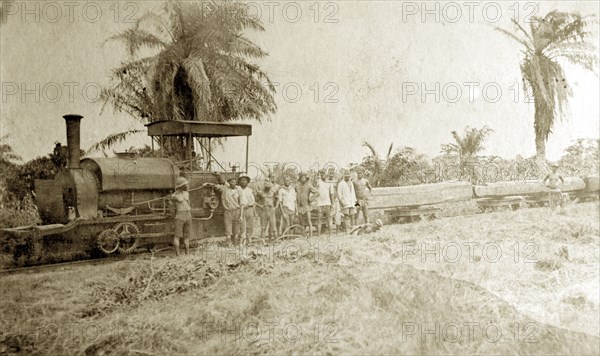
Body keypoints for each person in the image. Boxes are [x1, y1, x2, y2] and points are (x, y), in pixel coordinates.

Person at [204, 173, 241, 245]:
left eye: (235, 182)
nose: (233, 183)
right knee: (228, 229)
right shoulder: (225, 189)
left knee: (236, 229)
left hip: (237, 211)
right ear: (229, 183)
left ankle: (236, 245)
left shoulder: (238, 189)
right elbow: (215, 186)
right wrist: (208, 183)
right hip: (228, 212)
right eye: (232, 182)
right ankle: (229, 245)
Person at [170, 177, 193, 256]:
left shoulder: (187, 194)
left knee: (186, 236)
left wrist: (189, 212)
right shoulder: (174, 196)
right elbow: (172, 204)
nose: (187, 185)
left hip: (187, 215)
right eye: (185, 184)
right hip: (180, 215)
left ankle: (187, 254)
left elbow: (189, 204)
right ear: (181, 185)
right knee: (177, 236)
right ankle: (178, 255)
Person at [296, 173, 319, 237]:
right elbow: (293, 192)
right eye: (301, 178)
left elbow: (317, 192)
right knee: (301, 221)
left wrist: (311, 199)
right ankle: (303, 234)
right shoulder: (297, 186)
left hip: (307, 205)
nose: (303, 179)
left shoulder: (309, 185)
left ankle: (311, 235)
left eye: (304, 177)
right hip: (300, 206)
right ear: (300, 179)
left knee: (309, 220)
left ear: (306, 178)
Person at [315, 170, 334, 237]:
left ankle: (330, 235)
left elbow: (331, 194)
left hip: (327, 204)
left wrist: (332, 204)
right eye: (322, 174)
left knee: (329, 219)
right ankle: (318, 235)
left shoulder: (330, 183)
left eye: (324, 174)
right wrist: (317, 205)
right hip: (320, 204)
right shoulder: (318, 182)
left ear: (326, 175)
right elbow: (315, 193)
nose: (323, 175)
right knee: (319, 219)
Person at [238, 174, 256, 240]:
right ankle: (242, 240)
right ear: (239, 181)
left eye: (245, 180)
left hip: (250, 209)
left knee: (250, 225)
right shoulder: (237, 189)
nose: (243, 182)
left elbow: (253, 202)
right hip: (241, 210)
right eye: (242, 180)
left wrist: (254, 212)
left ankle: (249, 239)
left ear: (247, 182)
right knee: (242, 226)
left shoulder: (250, 190)